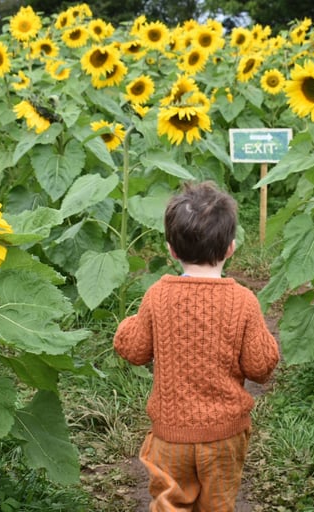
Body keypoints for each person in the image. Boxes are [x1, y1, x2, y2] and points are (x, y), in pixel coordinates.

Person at [114, 181, 280, 512]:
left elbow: (134, 350)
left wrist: (125, 326)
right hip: (224, 437)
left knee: (169, 504)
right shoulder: (243, 301)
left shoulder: (157, 296)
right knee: (218, 505)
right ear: (230, 248)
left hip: (170, 436)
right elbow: (260, 368)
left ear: (171, 250)